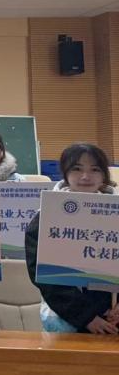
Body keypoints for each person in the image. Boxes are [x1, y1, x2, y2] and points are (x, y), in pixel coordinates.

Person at [25, 143, 119, 334]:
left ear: (104, 175)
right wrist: (86, 317)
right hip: (66, 318)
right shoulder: (46, 215)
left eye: (94, 169)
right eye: (77, 169)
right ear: (65, 173)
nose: (85, 176)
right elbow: (42, 275)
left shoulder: (115, 212)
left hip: (113, 316)